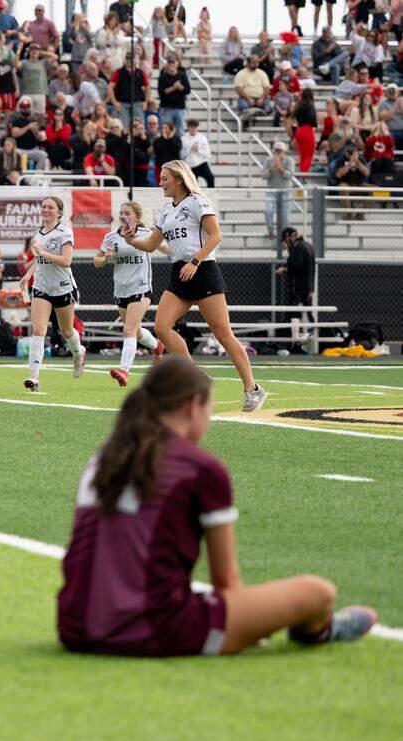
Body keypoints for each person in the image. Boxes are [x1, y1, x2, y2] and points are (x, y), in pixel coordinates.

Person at [58, 358, 378, 656]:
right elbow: (226, 582)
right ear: (194, 406)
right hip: (154, 627)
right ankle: (320, 631)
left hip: (74, 625)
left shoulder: (104, 457)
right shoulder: (202, 468)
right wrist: (251, 623)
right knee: (318, 593)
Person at [121, 160, 267, 413]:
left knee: (223, 334)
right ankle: (195, 376)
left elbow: (215, 235)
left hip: (203, 271)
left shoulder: (198, 201)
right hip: (179, 273)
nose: (160, 183)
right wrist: (132, 239)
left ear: (178, 179)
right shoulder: (166, 209)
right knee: (161, 328)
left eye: (165, 178)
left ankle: (253, 389)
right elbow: (151, 244)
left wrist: (195, 261)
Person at [95, 201, 166, 387]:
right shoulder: (111, 237)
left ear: (137, 217)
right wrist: (105, 258)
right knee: (137, 331)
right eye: (121, 213)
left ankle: (124, 371)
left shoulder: (146, 234)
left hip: (141, 288)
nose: (123, 216)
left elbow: (165, 248)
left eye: (127, 213)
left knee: (128, 330)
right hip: (121, 289)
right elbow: (97, 261)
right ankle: (157, 346)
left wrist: (183, 254)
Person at [21, 197, 85, 392]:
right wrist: (28, 275)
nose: (46, 210)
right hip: (41, 287)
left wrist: (41, 251)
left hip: (63, 286)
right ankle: (34, 377)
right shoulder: (37, 234)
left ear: (59, 212)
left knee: (66, 331)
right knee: (39, 330)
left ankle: (78, 352)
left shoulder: (65, 232)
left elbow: (66, 261)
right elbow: (39, 259)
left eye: (50, 207)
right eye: (43, 207)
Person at [277, 226, 316, 321]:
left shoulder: (298, 248)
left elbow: (296, 266)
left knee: (297, 311)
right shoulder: (306, 245)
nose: (285, 244)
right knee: (306, 310)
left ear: (290, 237)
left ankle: (305, 331)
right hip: (307, 285)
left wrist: (283, 269)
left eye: (285, 240)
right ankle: (310, 330)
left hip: (300, 287)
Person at [262, 142, 295, 237]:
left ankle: (284, 236)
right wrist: (271, 168)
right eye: (276, 151)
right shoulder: (268, 160)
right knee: (268, 210)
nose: (278, 153)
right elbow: (263, 176)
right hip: (271, 191)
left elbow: (288, 176)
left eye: (280, 151)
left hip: (285, 191)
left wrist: (279, 167)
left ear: (284, 151)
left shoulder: (289, 160)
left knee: (285, 216)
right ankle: (270, 232)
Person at [181, 119, 215, 187]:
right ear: (188, 127)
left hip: (201, 164)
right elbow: (182, 156)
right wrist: (191, 149)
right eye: (191, 127)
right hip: (189, 166)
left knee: (210, 178)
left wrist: (198, 150)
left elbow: (207, 154)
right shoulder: (183, 139)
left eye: (195, 127)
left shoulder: (202, 138)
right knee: (192, 185)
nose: (193, 129)